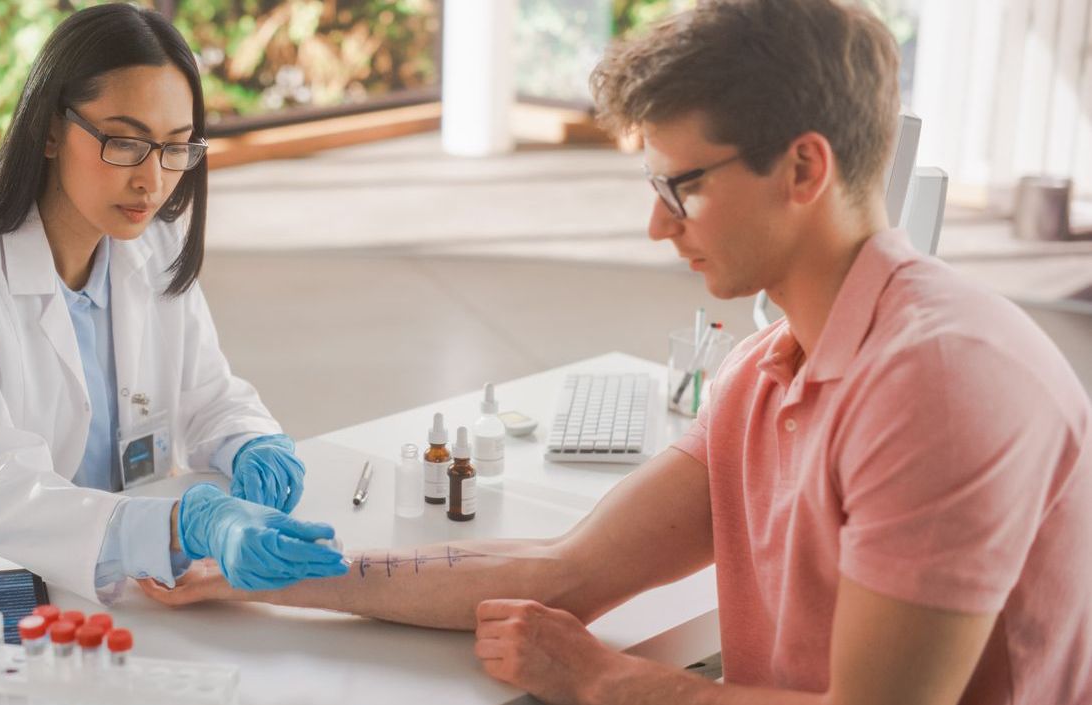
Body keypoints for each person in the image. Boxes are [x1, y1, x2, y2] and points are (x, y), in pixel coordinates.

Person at [144, 0, 1092, 702]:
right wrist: (275, 572)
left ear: (803, 167)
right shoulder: (763, 372)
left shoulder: (941, 384)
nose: (653, 225)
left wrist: (601, 678)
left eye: (681, 187)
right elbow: (564, 571)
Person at [0, 4, 347, 603]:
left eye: (175, 147)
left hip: (115, 572)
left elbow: (206, 394)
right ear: (49, 129)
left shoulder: (154, 243)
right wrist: (184, 524)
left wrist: (251, 441)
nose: (152, 181)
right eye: (126, 143)